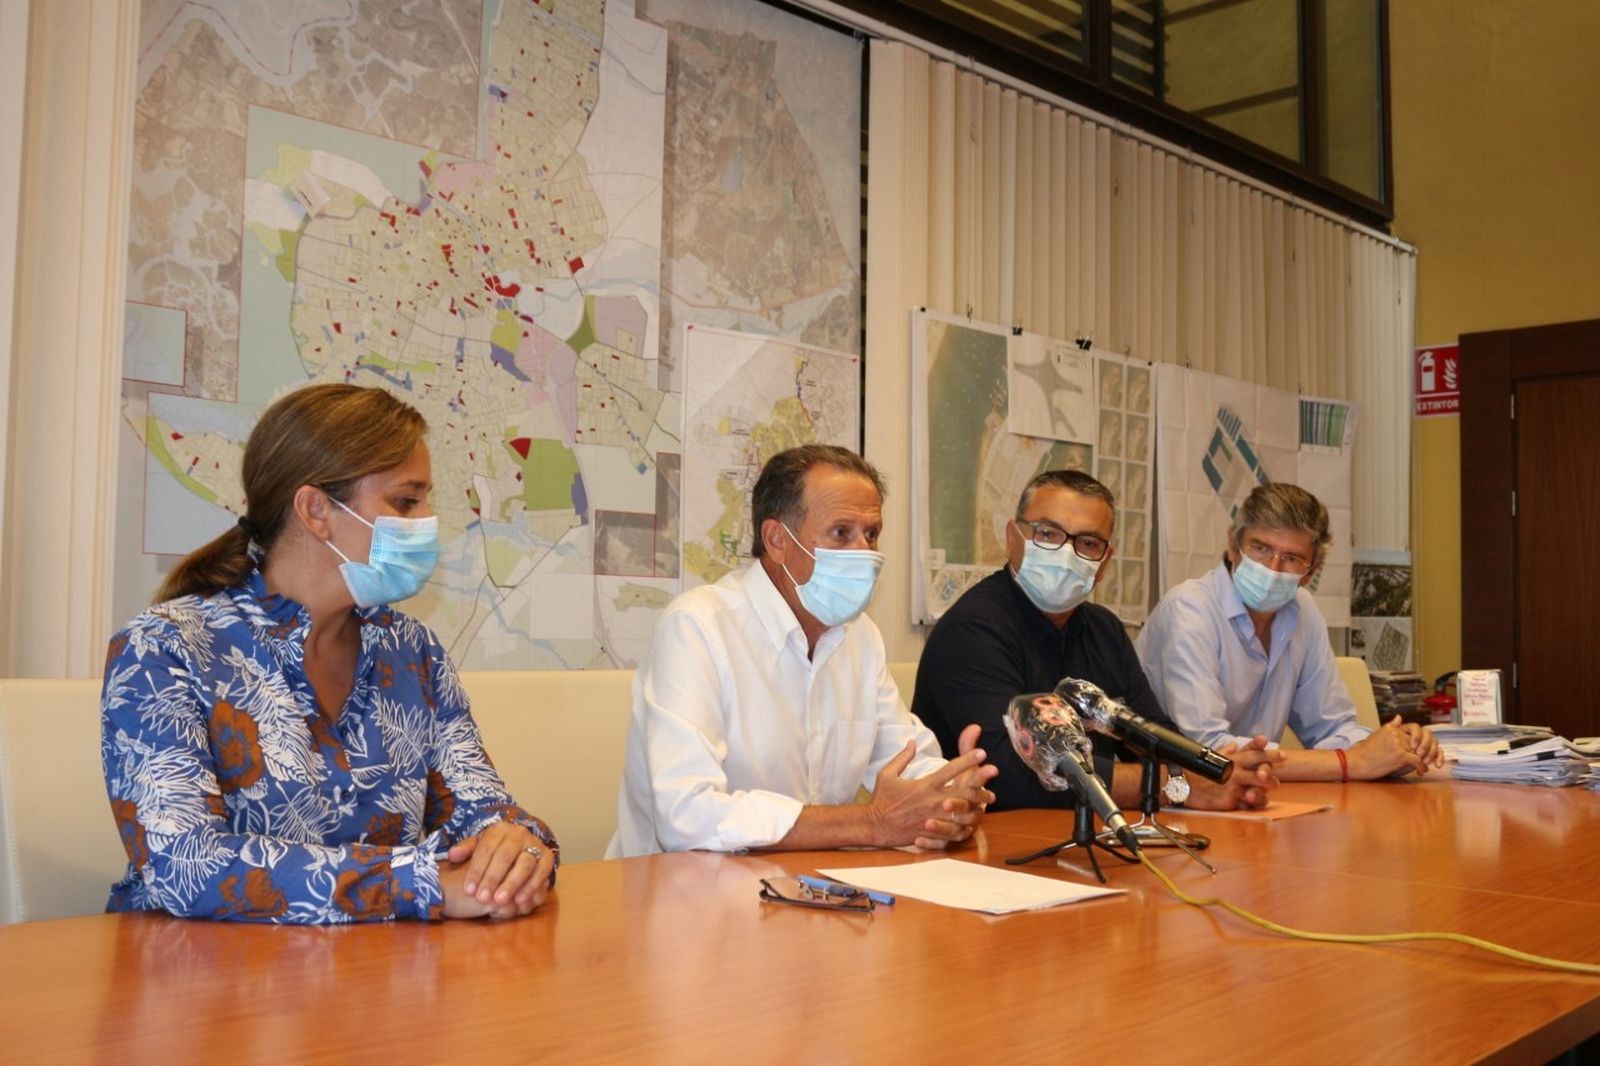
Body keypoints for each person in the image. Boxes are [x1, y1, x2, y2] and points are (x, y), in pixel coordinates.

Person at [101, 384, 558, 923]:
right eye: (406, 501)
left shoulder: (411, 650)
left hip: (372, 978)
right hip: (197, 983)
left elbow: (477, 806)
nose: (428, 520)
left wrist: (519, 849)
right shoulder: (165, 649)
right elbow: (182, 864)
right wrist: (423, 883)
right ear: (316, 509)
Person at [609, 445, 997, 857]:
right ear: (777, 540)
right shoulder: (697, 628)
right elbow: (686, 817)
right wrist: (873, 822)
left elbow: (906, 758)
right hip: (681, 896)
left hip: (813, 892)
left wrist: (951, 794)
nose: (865, 552)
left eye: (872, 533)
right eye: (841, 533)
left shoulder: (860, 636)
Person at [913, 470, 1281, 813]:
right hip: (991, 846)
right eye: (1048, 534)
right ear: (1012, 538)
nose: (1066, 552)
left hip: (1082, 837)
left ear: (1104, 562)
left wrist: (1223, 770)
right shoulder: (973, 630)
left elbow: (1153, 734)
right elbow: (1014, 773)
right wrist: (1172, 786)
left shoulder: (1103, 629)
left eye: (1087, 543)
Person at [1136, 482, 1444, 781]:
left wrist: (1395, 749)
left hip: (1254, 796)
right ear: (1233, 546)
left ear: (1311, 570)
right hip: (1168, 798)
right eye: (1260, 548)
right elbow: (1209, 753)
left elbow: (1331, 727)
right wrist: (1353, 761)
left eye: (1292, 558)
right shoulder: (1189, 609)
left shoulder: (1303, 611)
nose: (1273, 568)